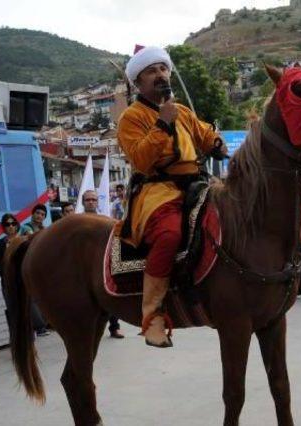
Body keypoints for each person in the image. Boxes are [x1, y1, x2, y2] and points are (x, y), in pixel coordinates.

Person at [117, 45, 226, 347]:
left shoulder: (184, 111)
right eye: (151, 71)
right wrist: (163, 122)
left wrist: (215, 142)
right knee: (168, 235)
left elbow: (204, 134)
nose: (160, 75)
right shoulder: (132, 117)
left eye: (163, 69)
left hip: (197, 183)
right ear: (138, 82)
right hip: (157, 189)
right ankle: (152, 317)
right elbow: (140, 159)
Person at [0, 213, 50, 336]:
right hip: (9, 283)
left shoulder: (25, 241)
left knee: (31, 304)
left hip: (25, 280)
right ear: (3, 227)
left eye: (13, 223)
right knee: (14, 309)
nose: (11, 227)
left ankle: (39, 328)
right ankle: (20, 335)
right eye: (7, 224)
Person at [82, 189, 125, 338]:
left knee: (109, 295)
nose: (91, 202)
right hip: (83, 267)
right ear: (83, 202)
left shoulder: (105, 220)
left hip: (101, 265)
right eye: (88, 200)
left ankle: (114, 327)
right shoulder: (77, 222)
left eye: (94, 199)